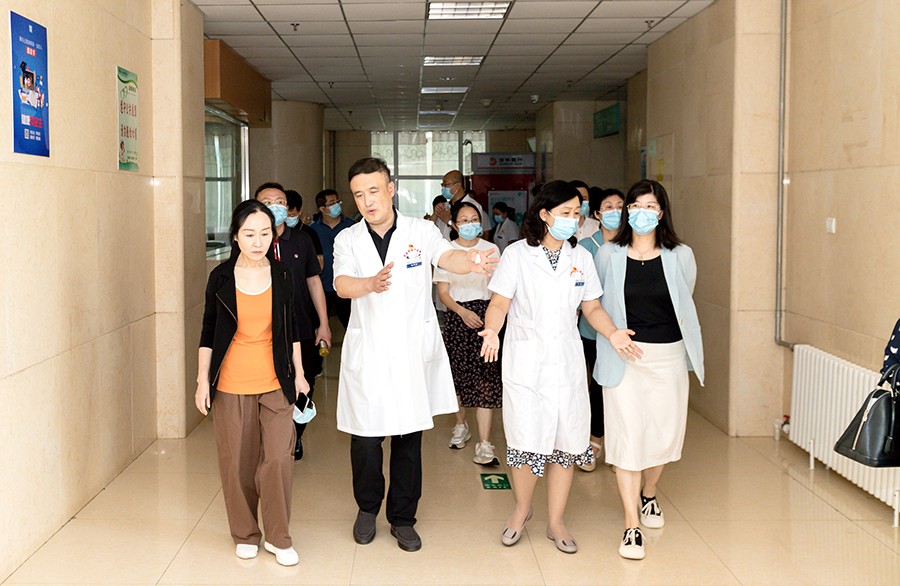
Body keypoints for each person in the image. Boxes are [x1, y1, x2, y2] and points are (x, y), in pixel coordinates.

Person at [333, 157, 497, 553]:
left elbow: (446, 257)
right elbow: (340, 284)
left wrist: (469, 260)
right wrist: (369, 284)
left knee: (408, 440)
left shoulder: (421, 231)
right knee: (366, 441)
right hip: (369, 352)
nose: (368, 201)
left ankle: (403, 518)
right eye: (359, 194)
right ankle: (367, 508)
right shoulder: (347, 239)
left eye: (374, 191)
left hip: (409, 352)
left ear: (391, 189)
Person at [478, 180, 633, 555]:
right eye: (565, 213)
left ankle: (556, 520)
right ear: (545, 214)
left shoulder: (581, 258)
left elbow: (591, 307)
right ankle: (521, 510)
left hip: (565, 359)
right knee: (526, 439)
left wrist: (612, 333)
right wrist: (492, 329)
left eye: (576, 214)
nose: (573, 220)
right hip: (526, 359)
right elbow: (499, 302)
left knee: (566, 441)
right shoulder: (517, 254)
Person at [593, 179, 704, 561]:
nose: (642, 213)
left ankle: (650, 493)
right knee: (626, 438)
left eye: (650, 206)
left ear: (661, 213)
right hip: (623, 357)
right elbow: (596, 303)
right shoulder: (608, 254)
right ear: (627, 211)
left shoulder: (681, 255)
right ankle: (631, 525)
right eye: (636, 205)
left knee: (662, 434)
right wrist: (613, 335)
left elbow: (684, 301)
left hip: (668, 357)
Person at [195, 199, 309, 566]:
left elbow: (292, 329)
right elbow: (208, 331)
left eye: (264, 233)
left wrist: (300, 374)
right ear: (235, 236)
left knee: (278, 458)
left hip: (276, 380)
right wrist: (202, 380)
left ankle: (278, 536)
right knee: (238, 464)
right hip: (231, 382)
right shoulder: (221, 277)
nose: (258, 242)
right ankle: (245, 533)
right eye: (249, 234)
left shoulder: (283, 274)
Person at [256, 183, 332, 461]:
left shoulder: (302, 240)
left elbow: (314, 281)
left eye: (280, 202)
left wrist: (323, 323)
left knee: (305, 383)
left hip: (301, 326)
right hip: (263, 331)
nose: (275, 207)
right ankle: (270, 439)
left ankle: (295, 434)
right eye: (267, 202)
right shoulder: (250, 241)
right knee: (268, 385)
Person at [434, 201, 502, 464]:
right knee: (458, 378)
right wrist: (462, 312)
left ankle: (485, 443)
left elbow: (499, 288)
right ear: (454, 224)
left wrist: (490, 319)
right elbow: (443, 293)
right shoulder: (445, 252)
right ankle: (461, 425)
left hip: (487, 316)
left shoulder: (491, 249)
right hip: (457, 316)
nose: (470, 224)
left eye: (474, 219)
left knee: (486, 379)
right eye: (464, 220)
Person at [575, 187, 626, 472]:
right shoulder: (586, 247)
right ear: (597, 213)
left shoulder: (633, 245)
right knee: (597, 386)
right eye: (608, 207)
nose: (615, 212)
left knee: (623, 389)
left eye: (620, 206)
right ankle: (594, 440)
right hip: (592, 331)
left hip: (624, 330)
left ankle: (621, 448)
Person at [310, 188, 356, 330]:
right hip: (322, 286)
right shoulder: (313, 230)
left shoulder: (352, 227)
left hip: (347, 285)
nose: (337, 205)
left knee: (352, 326)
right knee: (318, 326)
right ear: (322, 209)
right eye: (332, 203)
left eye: (337, 202)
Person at [441, 169, 491, 236]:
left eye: (446, 184)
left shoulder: (473, 206)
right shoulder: (446, 206)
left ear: (458, 186)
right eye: (442, 185)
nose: (443, 188)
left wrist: (449, 222)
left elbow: (473, 234)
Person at [285, 189, 323, 261]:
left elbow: (319, 260)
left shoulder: (309, 233)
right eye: (285, 216)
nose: (288, 219)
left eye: (292, 215)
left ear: (300, 211)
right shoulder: (274, 232)